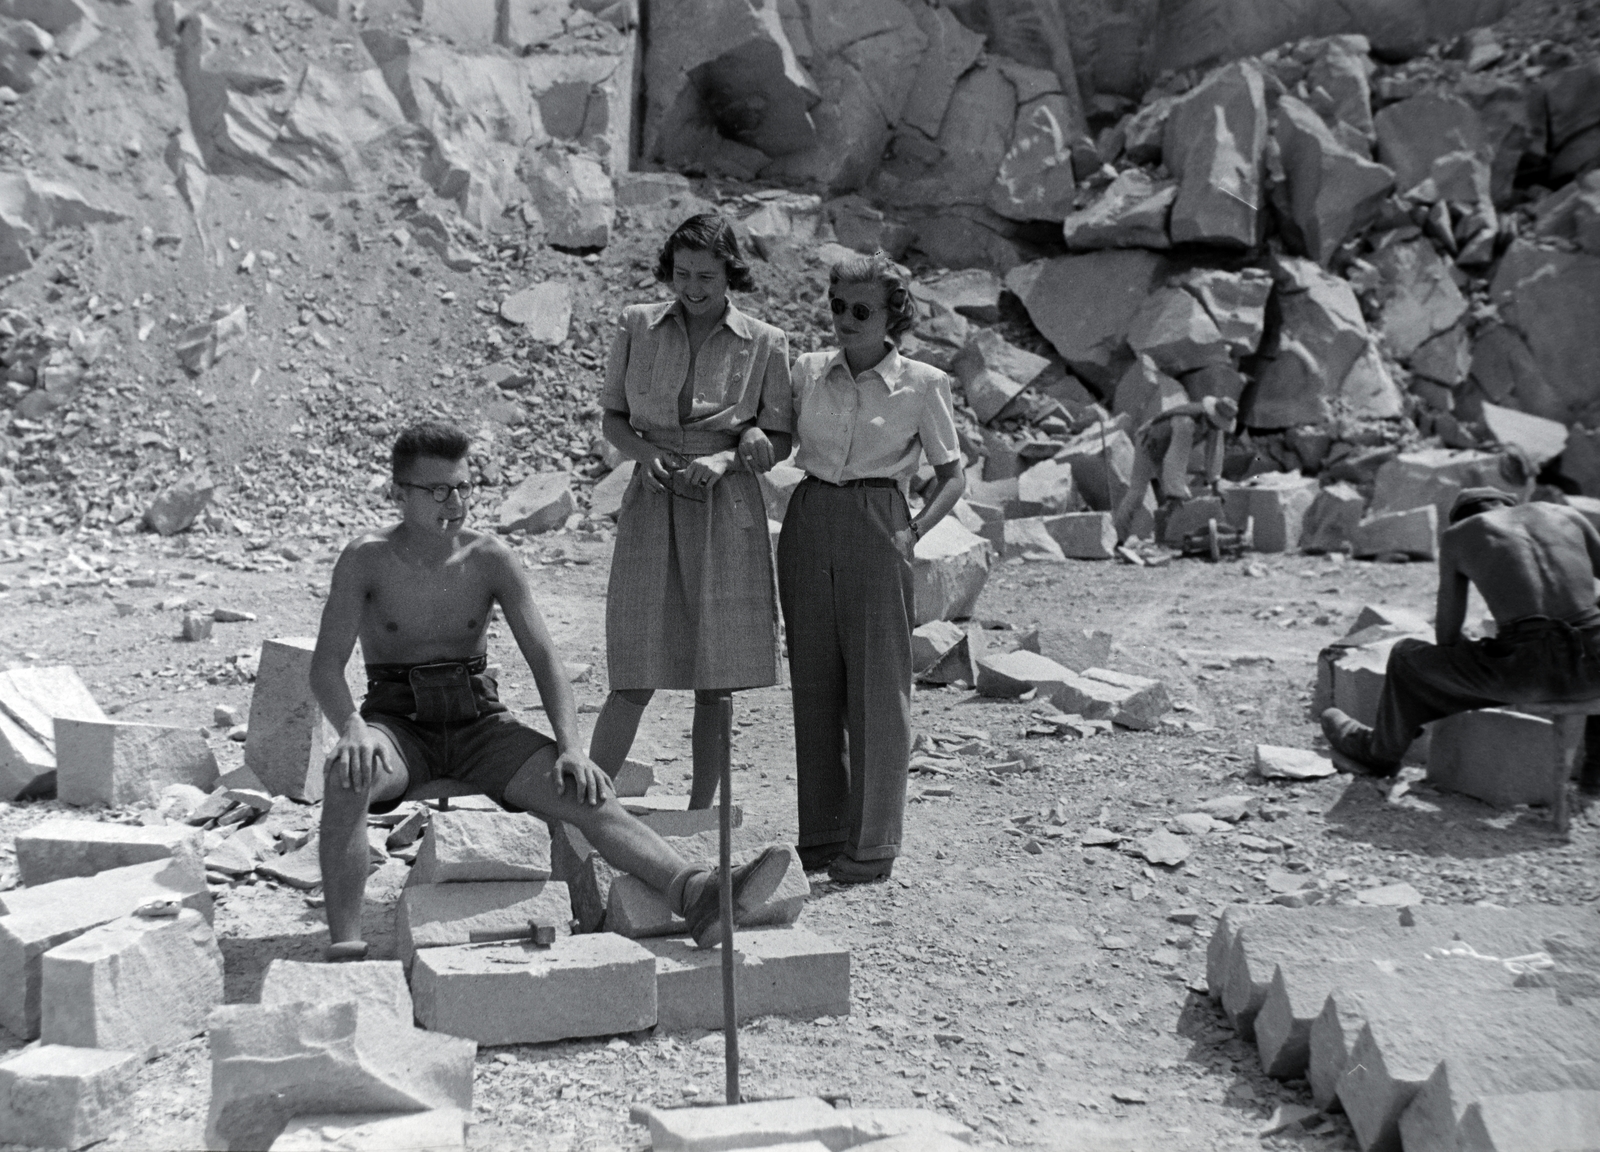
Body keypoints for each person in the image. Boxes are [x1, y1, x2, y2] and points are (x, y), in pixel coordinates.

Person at [309, 421, 791, 960]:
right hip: (399, 725)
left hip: (478, 724)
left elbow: (545, 660)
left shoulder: (489, 557)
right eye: (438, 491)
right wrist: (351, 726)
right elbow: (326, 667)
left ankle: (696, 893)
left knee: (586, 791)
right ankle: (346, 944)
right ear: (400, 493)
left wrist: (571, 747)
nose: (456, 502)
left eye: (464, 487)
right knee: (346, 774)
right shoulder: (367, 559)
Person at [767, 252, 965, 883]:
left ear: (892, 316)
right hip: (810, 516)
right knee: (814, 679)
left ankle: (874, 843)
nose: (845, 319)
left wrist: (914, 530)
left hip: (880, 521)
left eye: (861, 309)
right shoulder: (807, 371)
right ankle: (824, 836)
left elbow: (952, 474)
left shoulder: (923, 383)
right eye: (837, 306)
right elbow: (778, 439)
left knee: (880, 684)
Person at [585, 214, 793, 809]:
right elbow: (613, 418)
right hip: (652, 499)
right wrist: (643, 455)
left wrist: (729, 457)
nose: (693, 287)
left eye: (706, 276)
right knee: (633, 667)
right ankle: (584, 810)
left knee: (715, 678)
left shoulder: (766, 341)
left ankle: (703, 816)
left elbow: (781, 438)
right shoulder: (636, 323)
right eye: (682, 274)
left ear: (731, 274)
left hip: (725, 506)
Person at [1321, 487, 1600, 796]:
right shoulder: (1566, 514)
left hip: (1527, 673)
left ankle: (1379, 752)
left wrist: (1482, 647)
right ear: (1510, 505)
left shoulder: (1459, 535)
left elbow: (1447, 636)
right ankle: (1595, 773)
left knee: (1405, 657)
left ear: (1461, 520)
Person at [1112, 394, 1237, 540]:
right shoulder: (1185, 422)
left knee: (1182, 499)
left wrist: (1215, 482)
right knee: (1137, 493)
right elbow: (1176, 458)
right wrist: (1175, 493)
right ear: (1210, 416)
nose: (1216, 428)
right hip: (1148, 443)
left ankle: (1166, 538)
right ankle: (1118, 537)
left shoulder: (1215, 427)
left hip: (1166, 449)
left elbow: (1214, 454)